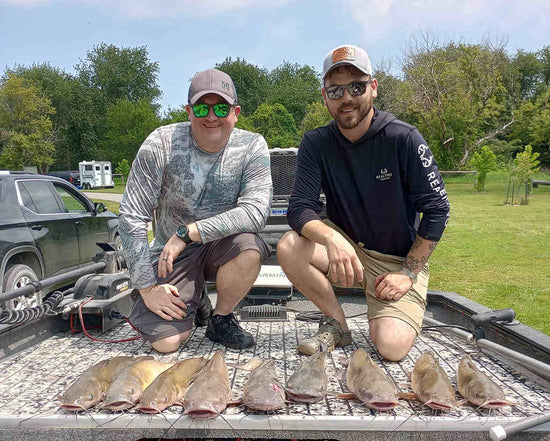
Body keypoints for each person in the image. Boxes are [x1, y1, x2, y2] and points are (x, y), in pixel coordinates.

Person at [277, 45, 450, 361]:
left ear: (373, 87)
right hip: (346, 250)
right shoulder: (316, 143)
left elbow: (438, 209)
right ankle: (338, 326)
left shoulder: (404, 138)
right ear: (324, 96)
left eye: (356, 87)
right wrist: (331, 240)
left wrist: (408, 273)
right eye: (335, 90)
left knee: (391, 347)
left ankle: (392, 309)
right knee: (289, 245)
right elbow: (299, 207)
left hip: (396, 262)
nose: (346, 98)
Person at [119, 68, 272, 353]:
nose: (211, 116)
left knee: (250, 248)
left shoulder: (253, 146)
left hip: (221, 247)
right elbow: (131, 216)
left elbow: (256, 212)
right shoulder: (159, 144)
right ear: (189, 111)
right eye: (203, 107)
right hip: (171, 254)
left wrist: (189, 233)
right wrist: (147, 289)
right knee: (166, 344)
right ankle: (197, 298)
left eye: (221, 107)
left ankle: (221, 318)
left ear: (235, 112)